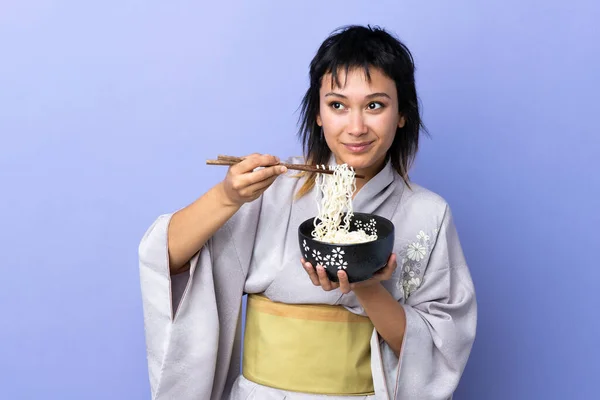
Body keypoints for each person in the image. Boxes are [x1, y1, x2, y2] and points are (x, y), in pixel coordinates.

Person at [138, 25, 477, 400]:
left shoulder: (428, 212)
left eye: (375, 105)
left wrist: (367, 285)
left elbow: (435, 351)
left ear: (402, 114)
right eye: (337, 105)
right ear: (317, 113)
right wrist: (227, 196)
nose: (356, 126)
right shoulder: (272, 189)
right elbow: (165, 259)